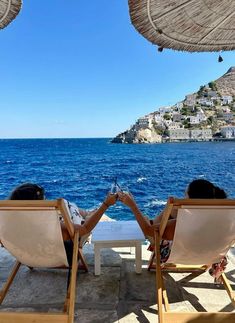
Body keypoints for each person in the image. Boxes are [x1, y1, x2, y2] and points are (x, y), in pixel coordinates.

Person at [117, 179, 227, 281]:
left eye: (185, 196)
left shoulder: (184, 224)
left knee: (150, 225)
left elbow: (148, 231)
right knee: (172, 211)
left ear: (193, 200)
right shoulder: (225, 220)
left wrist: (133, 205)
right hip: (212, 254)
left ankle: (156, 220)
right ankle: (157, 221)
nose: (184, 199)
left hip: (180, 255)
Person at [9, 183, 117, 264]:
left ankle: (88, 213)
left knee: (64, 209)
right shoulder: (48, 225)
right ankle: (88, 214)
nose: (46, 201)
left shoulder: (13, 225)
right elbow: (85, 229)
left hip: (29, 256)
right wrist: (106, 205)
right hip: (65, 256)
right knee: (65, 205)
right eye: (43, 199)